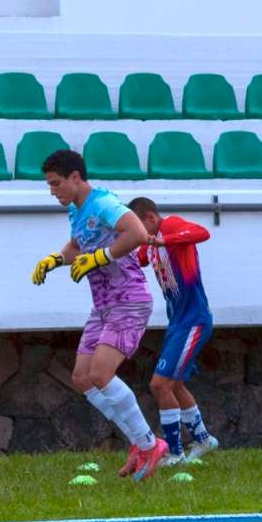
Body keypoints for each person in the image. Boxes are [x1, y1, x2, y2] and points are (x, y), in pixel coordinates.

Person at [30, 150, 167, 481]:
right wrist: (55, 258)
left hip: (128, 301)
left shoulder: (103, 202)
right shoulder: (77, 211)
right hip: (103, 306)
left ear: (76, 177)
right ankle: (140, 443)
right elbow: (78, 245)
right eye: (49, 185)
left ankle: (150, 445)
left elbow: (135, 233)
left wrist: (100, 257)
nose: (53, 191)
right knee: (82, 377)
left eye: (56, 184)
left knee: (102, 373)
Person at [128, 197, 219, 466]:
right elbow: (136, 258)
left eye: (137, 225)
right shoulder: (151, 243)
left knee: (160, 384)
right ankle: (203, 440)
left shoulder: (171, 226)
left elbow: (203, 233)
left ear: (150, 218)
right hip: (178, 321)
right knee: (174, 384)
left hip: (194, 320)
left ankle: (175, 454)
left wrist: (163, 240)